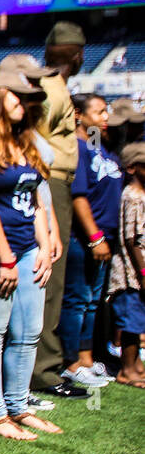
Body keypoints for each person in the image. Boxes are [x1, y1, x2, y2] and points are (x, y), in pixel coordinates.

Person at [0, 72, 60, 440]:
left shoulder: (26, 140)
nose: (24, 102)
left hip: (28, 248)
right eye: (16, 95)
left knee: (29, 331)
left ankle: (19, 405)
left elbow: (36, 202)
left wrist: (45, 246)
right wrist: (4, 255)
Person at [30, 24, 87, 400]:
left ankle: (44, 366)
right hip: (51, 182)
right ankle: (43, 370)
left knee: (55, 276)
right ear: (77, 54)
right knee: (51, 274)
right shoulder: (51, 87)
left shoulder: (54, 85)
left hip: (55, 182)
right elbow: (35, 138)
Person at [56, 94, 122, 388]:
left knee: (92, 301)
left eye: (106, 111)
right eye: (99, 112)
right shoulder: (78, 149)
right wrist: (95, 238)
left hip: (105, 238)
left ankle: (85, 358)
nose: (105, 117)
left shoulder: (99, 148)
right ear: (79, 115)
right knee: (78, 301)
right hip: (84, 239)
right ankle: (70, 362)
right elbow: (79, 196)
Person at [107, 142, 145, 388]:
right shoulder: (132, 196)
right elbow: (131, 239)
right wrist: (142, 272)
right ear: (132, 168)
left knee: (139, 320)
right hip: (131, 272)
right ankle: (126, 370)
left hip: (139, 270)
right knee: (131, 322)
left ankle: (136, 365)